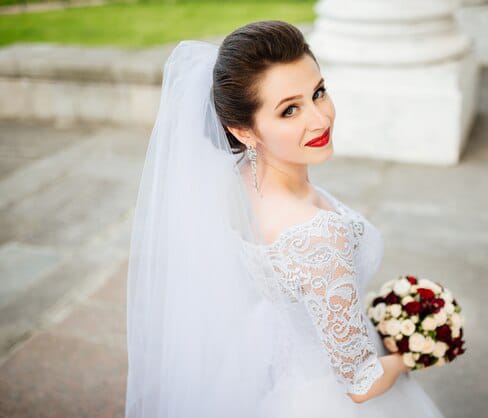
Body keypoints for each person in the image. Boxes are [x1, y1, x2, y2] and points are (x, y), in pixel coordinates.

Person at [125, 20, 445, 418]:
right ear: (243, 130)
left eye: (319, 92)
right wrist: (409, 351)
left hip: (285, 367)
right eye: (289, 110)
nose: (320, 119)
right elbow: (360, 385)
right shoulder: (316, 235)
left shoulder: (237, 183)